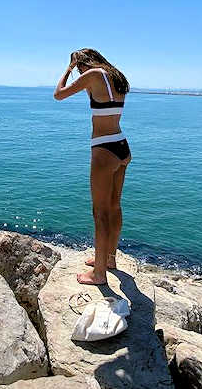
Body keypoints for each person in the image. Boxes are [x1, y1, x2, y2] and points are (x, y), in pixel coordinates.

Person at [54, 48, 131, 285]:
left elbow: (59, 94)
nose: (78, 71)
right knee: (115, 206)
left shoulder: (93, 74)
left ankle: (99, 274)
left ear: (84, 62)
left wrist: (67, 69)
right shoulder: (115, 75)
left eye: (78, 67)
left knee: (100, 212)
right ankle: (109, 259)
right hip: (121, 146)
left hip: (104, 148)